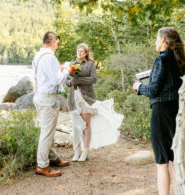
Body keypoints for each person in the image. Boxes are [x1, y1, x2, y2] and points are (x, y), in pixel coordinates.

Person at [133, 27, 185, 195]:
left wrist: (139, 87)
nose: (156, 42)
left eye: (157, 38)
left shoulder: (161, 60)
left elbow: (153, 90)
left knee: (162, 161)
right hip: (177, 111)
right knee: (176, 159)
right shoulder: (180, 60)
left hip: (161, 113)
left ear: (163, 40)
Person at [66, 43, 124, 162]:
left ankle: (85, 152)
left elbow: (93, 79)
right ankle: (77, 151)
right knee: (76, 126)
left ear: (86, 53)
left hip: (86, 98)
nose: (79, 53)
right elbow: (67, 81)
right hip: (73, 98)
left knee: (86, 125)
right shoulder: (72, 64)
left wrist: (78, 80)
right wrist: (70, 82)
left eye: (82, 51)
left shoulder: (90, 64)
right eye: (78, 50)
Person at [33, 31, 70, 177]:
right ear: (53, 41)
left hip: (39, 96)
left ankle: (53, 158)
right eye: (57, 43)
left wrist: (59, 70)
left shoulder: (38, 56)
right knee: (47, 133)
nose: (57, 46)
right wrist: (66, 71)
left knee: (48, 129)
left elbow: (45, 76)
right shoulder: (50, 57)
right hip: (48, 98)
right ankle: (42, 166)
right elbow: (56, 80)